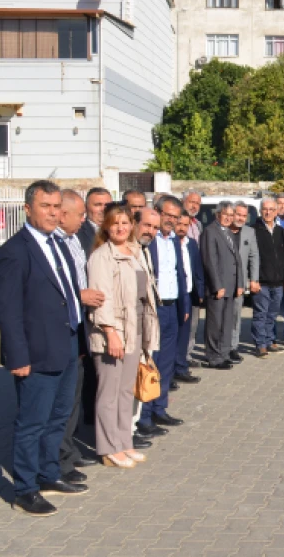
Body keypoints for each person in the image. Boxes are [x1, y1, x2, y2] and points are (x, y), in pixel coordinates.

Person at [0, 180, 89, 516]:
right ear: (28, 209)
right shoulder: (14, 252)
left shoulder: (58, 245)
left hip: (66, 346)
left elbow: (67, 295)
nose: (53, 213)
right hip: (35, 354)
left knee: (58, 417)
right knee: (32, 422)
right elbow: (8, 312)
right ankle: (25, 488)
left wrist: (78, 340)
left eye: (56, 207)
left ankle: (49, 474)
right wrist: (17, 357)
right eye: (45, 206)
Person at [86, 205, 157, 470]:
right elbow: (100, 299)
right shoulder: (102, 257)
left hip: (135, 329)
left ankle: (124, 442)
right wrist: (109, 333)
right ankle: (108, 448)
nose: (120, 228)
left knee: (127, 392)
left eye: (125, 222)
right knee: (109, 393)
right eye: (115, 223)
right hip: (112, 334)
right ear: (105, 226)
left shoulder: (136, 252)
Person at [54, 191, 106, 480]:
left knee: (72, 395)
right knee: (62, 401)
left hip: (80, 325)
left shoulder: (75, 240)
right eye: (80, 214)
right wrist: (79, 295)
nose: (84, 219)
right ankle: (61, 458)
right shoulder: (56, 244)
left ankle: (68, 451)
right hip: (63, 328)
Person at [137, 196, 190, 437]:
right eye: (167, 215)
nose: (171, 220)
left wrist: (184, 306)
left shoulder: (174, 242)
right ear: (157, 212)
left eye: (175, 216)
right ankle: (144, 416)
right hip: (153, 309)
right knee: (151, 362)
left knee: (166, 363)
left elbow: (180, 275)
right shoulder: (149, 241)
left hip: (172, 307)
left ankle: (160, 407)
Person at [200, 201, 244, 370]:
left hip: (232, 286)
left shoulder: (230, 233)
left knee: (227, 323)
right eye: (225, 214)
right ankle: (213, 356)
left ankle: (224, 354)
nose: (228, 218)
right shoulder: (210, 232)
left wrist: (240, 283)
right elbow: (210, 261)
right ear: (217, 215)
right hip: (218, 287)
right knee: (215, 323)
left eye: (231, 215)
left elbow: (237, 260)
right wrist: (217, 285)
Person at [251, 199, 284, 358]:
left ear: (276, 211)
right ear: (260, 211)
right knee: (260, 314)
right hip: (261, 282)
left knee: (272, 314)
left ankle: (270, 340)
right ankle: (260, 345)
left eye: (272, 209)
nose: (268, 212)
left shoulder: (280, 231)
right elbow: (251, 258)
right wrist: (253, 279)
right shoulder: (253, 231)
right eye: (265, 209)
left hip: (278, 281)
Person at [173, 213, 203, 386]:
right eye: (179, 224)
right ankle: (171, 371)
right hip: (174, 296)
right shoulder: (170, 243)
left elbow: (197, 267)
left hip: (189, 294)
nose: (182, 228)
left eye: (185, 225)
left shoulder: (191, 244)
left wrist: (200, 291)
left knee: (186, 334)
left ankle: (181, 367)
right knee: (173, 336)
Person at [229, 202, 260, 358]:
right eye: (238, 214)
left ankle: (232, 347)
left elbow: (254, 257)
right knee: (219, 317)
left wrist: (253, 279)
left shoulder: (249, 232)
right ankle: (217, 346)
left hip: (240, 283)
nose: (240, 218)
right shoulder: (223, 230)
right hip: (222, 282)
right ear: (232, 214)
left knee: (235, 316)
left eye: (243, 215)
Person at [77, 187, 111, 253]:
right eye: (98, 205)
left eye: (107, 205)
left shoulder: (120, 230)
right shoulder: (78, 233)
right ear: (86, 207)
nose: (103, 209)